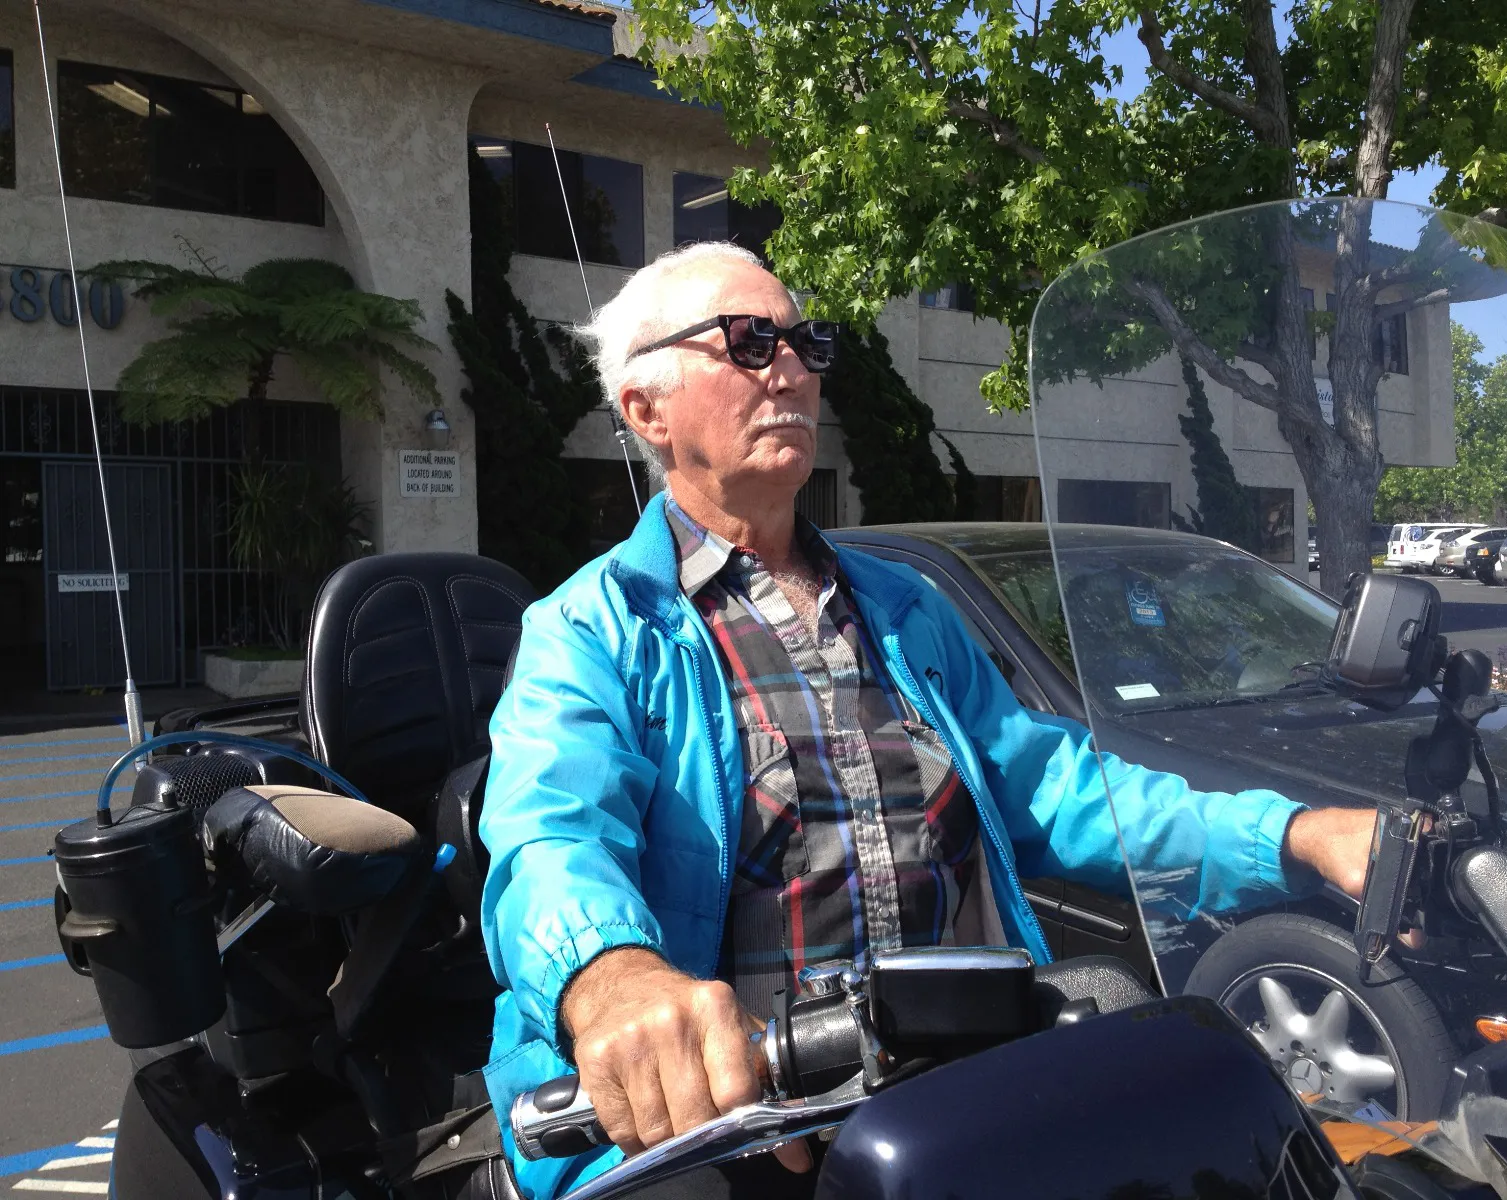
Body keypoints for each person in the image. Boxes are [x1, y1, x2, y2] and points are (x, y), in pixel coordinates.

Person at [478, 242, 1378, 1200]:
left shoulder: (904, 607)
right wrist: (614, 978)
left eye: (805, 343)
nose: (790, 369)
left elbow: (1059, 786)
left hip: (950, 1108)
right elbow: (549, 837)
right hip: (730, 1128)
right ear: (645, 410)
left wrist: (1294, 835)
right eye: (747, 342)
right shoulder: (591, 629)